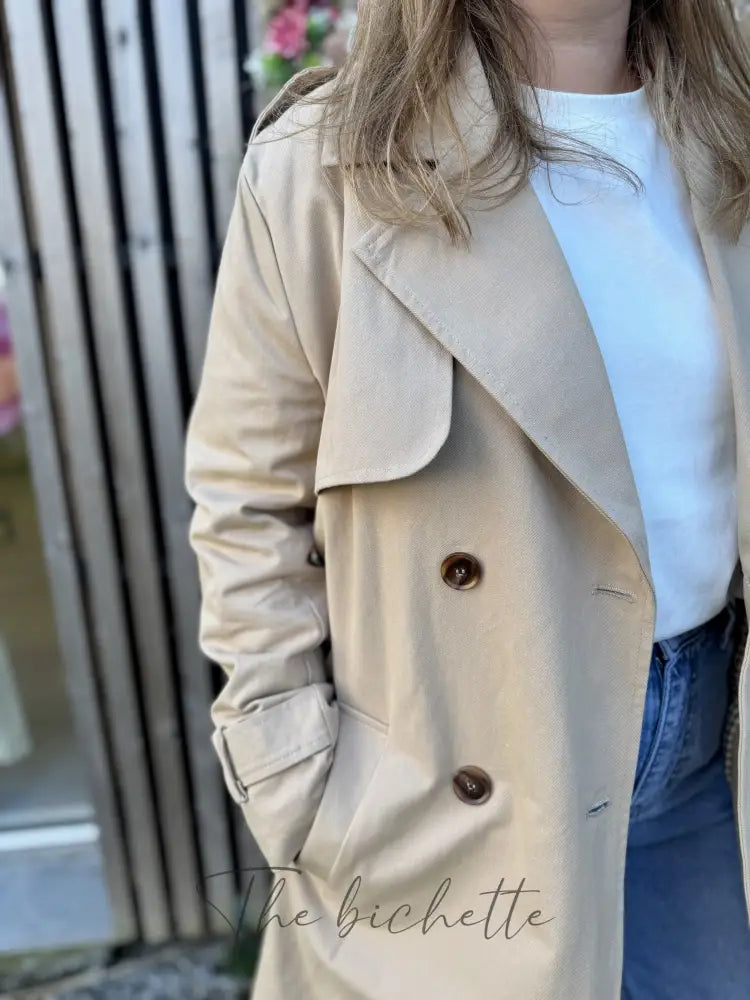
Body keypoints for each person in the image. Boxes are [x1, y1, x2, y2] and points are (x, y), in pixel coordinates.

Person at [183, 2, 750, 997]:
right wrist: (297, 783)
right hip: (454, 785)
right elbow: (248, 501)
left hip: (717, 752)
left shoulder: (729, 127)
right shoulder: (324, 168)